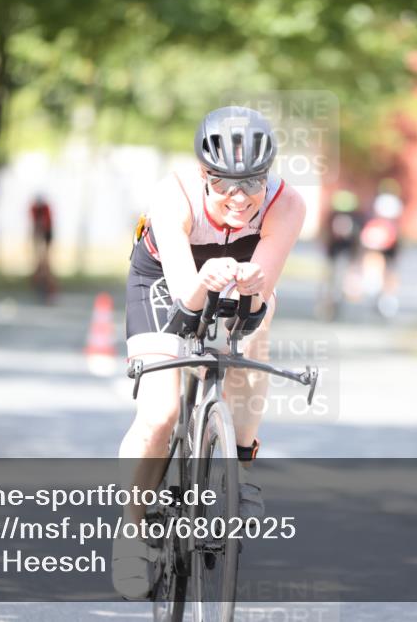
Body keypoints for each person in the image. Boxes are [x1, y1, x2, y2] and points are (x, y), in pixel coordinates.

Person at [115, 106, 306, 599]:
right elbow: (184, 306)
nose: (239, 198)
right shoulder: (172, 194)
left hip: (242, 270)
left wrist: (252, 287)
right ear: (203, 175)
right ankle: (132, 533)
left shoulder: (287, 205)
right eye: (223, 184)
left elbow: (257, 305)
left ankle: (239, 469)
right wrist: (203, 282)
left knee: (250, 346)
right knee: (162, 411)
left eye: (252, 183)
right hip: (165, 278)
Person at [359, 179, 404, 318]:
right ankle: (387, 296)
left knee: (378, 261)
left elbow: (374, 218)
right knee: (390, 269)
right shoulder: (396, 204)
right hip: (387, 236)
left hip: (380, 236)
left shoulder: (379, 202)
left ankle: (377, 287)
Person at [317, 187, 364, 319]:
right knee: (331, 277)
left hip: (342, 252)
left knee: (334, 277)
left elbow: (324, 234)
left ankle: (331, 299)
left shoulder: (335, 216)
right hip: (336, 251)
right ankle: (329, 299)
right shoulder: (348, 217)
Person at [29, 194, 56, 301]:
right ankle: (37, 284)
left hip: (47, 233)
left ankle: (48, 286)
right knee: (38, 260)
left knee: (46, 261)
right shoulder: (34, 208)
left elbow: (46, 225)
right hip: (38, 232)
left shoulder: (46, 209)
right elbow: (35, 224)